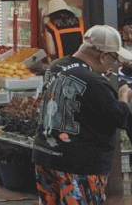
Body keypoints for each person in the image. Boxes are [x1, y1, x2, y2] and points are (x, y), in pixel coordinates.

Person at [33, 24, 132, 203]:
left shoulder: (56, 66)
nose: (115, 63)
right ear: (103, 56)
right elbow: (119, 117)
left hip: (45, 155)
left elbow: (78, 87)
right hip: (78, 165)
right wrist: (124, 98)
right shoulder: (94, 82)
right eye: (114, 58)